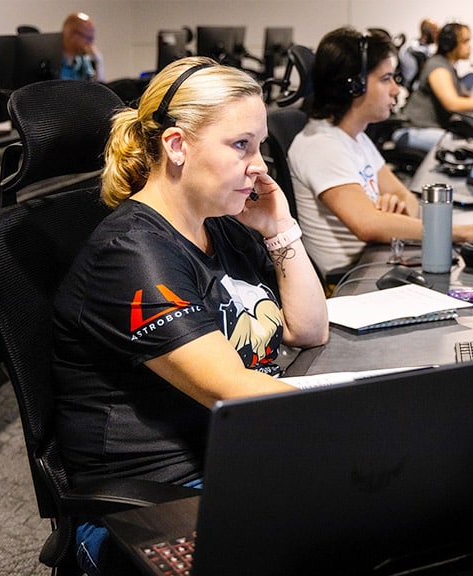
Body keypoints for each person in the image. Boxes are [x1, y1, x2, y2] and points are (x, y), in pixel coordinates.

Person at [52, 56, 328, 575]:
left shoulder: (218, 222)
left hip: (233, 463)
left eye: (261, 145)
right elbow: (233, 388)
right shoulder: (132, 253)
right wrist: (370, 419)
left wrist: (280, 230)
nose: (260, 166)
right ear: (177, 146)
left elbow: (308, 329)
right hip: (150, 505)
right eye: (241, 144)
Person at [288, 27, 473, 279]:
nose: (395, 90)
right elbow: (368, 225)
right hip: (352, 280)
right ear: (354, 86)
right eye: (386, 79)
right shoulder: (322, 146)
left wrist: (396, 211)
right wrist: (469, 232)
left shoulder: (356, 137)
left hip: (377, 260)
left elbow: (405, 196)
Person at [397, 22, 473, 151]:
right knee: (470, 147)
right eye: (465, 42)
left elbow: (462, 97)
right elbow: (452, 104)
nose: (469, 46)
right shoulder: (438, 68)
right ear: (450, 44)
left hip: (427, 129)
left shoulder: (447, 65)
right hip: (414, 130)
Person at [398, 18, 440, 92]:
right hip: (414, 90)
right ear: (426, 33)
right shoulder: (413, 49)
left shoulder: (426, 49)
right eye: (435, 32)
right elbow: (411, 76)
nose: (437, 36)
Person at [61, 12, 105, 82]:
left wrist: (98, 62)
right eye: (88, 38)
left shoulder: (84, 60)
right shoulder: (51, 60)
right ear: (72, 35)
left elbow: (98, 86)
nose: (90, 44)